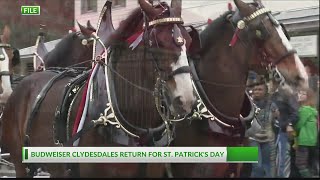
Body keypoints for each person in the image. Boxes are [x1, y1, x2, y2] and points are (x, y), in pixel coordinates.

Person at [245, 80, 278, 177]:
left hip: (268, 139)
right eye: (255, 90)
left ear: (265, 91)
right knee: (257, 167)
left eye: (260, 89)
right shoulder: (248, 104)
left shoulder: (272, 105)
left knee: (267, 166)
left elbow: (278, 117)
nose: (257, 92)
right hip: (252, 139)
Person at [270, 79, 299, 178]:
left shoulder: (288, 96)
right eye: (270, 82)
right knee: (272, 158)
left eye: (273, 82)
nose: (271, 84)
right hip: (270, 131)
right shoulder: (271, 96)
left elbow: (295, 113)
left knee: (283, 158)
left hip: (283, 131)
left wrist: (289, 124)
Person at [294, 88, 318, 177]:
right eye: (299, 93)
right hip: (311, 140)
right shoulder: (313, 109)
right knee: (308, 163)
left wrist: (293, 127)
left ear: (308, 97)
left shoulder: (304, 109)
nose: (299, 95)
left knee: (300, 163)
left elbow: (299, 124)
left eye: (303, 94)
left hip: (303, 140)